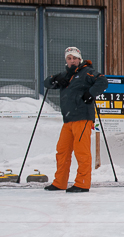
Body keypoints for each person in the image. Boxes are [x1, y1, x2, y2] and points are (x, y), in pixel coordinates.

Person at [42, 46, 108, 193]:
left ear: (80, 59)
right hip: (68, 119)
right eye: (69, 58)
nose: (72, 61)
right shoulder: (65, 75)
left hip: (83, 117)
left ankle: (82, 183)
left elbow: (103, 81)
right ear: (66, 60)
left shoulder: (87, 72)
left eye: (75, 58)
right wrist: (55, 79)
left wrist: (90, 94)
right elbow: (46, 83)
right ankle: (60, 182)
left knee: (81, 151)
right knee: (62, 151)